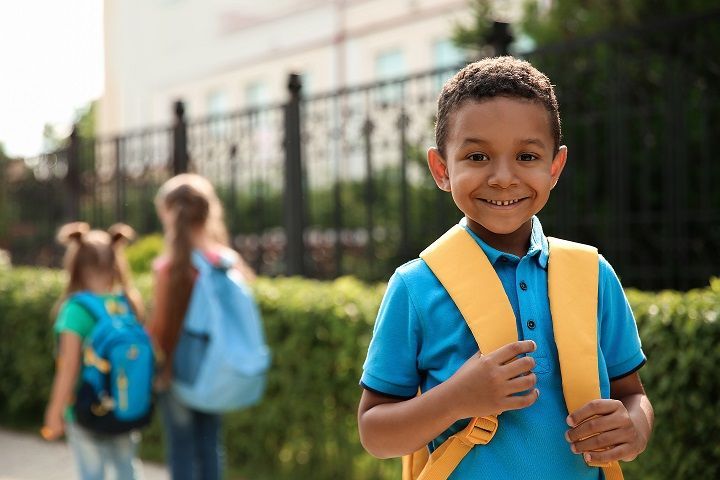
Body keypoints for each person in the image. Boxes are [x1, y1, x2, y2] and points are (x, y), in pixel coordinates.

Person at [357, 56, 654, 479]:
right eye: (477, 156)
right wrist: (456, 399)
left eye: (527, 156)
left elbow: (633, 396)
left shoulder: (593, 275)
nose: (502, 177)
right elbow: (374, 432)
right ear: (442, 169)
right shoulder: (416, 287)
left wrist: (635, 427)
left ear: (555, 167)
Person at [148, 173, 255, 480]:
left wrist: (159, 365)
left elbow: (161, 326)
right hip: (216, 368)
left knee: (181, 447)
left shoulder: (169, 267)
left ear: (169, 214)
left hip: (178, 374)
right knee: (210, 444)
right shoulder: (226, 260)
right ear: (210, 212)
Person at [43, 221, 145, 480]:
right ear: (115, 262)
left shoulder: (75, 310)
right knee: (127, 469)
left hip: (84, 408)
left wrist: (54, 412)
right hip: (125, 404)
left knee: (92, 473)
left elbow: (69, 367)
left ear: (75, 266)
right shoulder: (126, 303)